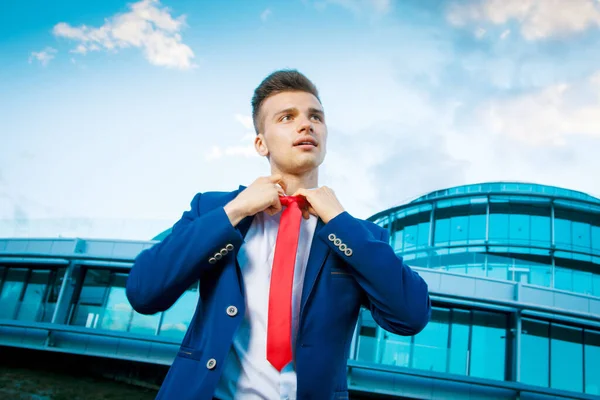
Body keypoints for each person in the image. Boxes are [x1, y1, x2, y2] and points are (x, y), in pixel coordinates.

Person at [126, 69, 431, 400]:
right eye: (287, 117)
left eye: (316, 117)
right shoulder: (214, 209)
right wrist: (236, 211)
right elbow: (144, 292)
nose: (306, 124)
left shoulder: (358, 235)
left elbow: (410, 316)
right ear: (261, 143)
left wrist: (340, 222)